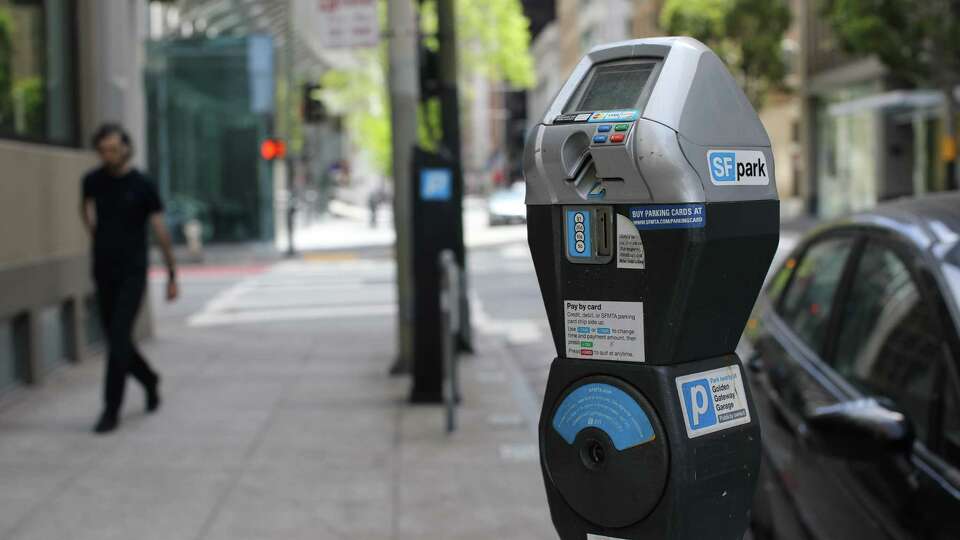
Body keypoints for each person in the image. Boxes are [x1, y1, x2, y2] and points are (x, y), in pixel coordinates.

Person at [80, 124, 179, 434]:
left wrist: (172, 273)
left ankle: (111, 410)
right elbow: (84, 210)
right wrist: (96, 236)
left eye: (113, 149)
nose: (108, 155)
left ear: (126, 148)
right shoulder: (92, 181)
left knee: (119, 337)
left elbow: (160, 232)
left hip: (133, 273)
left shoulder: (143, 185)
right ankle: (149, 379)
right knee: (116, 340)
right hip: (103, 270)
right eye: (103, 150)